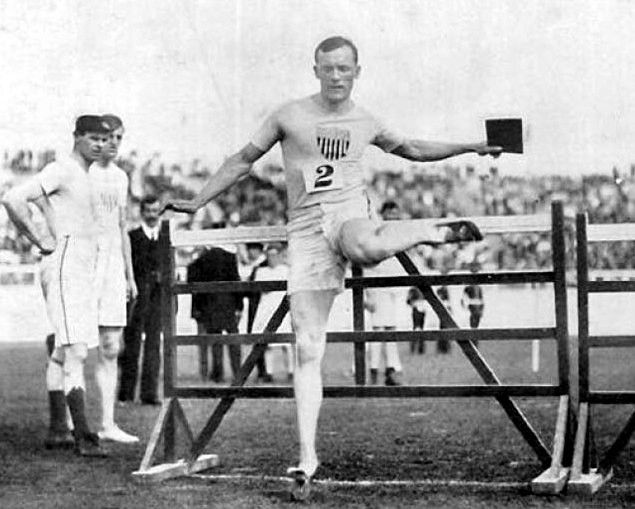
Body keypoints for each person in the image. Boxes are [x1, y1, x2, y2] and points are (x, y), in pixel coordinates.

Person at [162, 36, 500, 499]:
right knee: (306, 348)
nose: (336, 76)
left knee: (361, 243)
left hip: (347, 213)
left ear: (357, 70)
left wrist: (474, 146)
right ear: (315, 69)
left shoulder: (366, 120)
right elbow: (243, 160)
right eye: (328, 68)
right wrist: (198, 200)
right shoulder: (288, 115)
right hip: (304, 231)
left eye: (345, 68)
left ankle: (432, 230)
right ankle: (306, 457)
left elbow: (414, 149)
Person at [2, 115, 111, 456]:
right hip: (63, 263)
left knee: (65, 350)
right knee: (76, 348)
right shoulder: (62, 169)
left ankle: (57, 430)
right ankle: (84, 436)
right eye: (92, 137)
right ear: (76, 137)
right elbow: (13, 198)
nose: (100, 144)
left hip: (80, 266)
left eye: (104, 139)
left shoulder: (86, 177)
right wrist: (40, 240)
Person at [89, 114, 139, 443]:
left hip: (111, 267)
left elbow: (122, 227)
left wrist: (129, 275)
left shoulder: (121, 178)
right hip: (83, 262)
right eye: (108, 137)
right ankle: (69, 420)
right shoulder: (82, 173)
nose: (114, 144)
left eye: (119, 137)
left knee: (110, 346)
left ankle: (107, 424)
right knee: (74, 346)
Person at [118, 195, 162, 405]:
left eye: (156, 211)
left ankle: (149, 394)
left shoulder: (165, 238)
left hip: (157, 299)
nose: (152, 215)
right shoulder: (132, 237)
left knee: (154, 346)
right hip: (136, 298)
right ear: (142, 212)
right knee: (131, 346)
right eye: (149, 211)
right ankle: (126, 394)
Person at [187, 233, 244, 383]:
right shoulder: (230, 258)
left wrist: (198, 309)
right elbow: (236, 283)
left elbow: (193, 285)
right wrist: (239, 306)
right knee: (233, 339)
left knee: (215, 340)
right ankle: (237, 372)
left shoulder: (200, 260)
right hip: (228, 303)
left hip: (209, 305)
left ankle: (218, 373)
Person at [363, 201, 405, 385]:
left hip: (393, 289)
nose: (394, 216)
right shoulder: (376, 229)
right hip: (376, 287)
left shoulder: (399, 233)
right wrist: (366, 295)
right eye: (390, 213)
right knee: (379, 330)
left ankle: (391, 370)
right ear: (384, 214)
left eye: (396, 213)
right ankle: (374, 371)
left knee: (390, 330)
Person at [251, 243, 294, 382]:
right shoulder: (261, 271)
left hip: (283, 308)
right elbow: (261, 289)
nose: (272, 259)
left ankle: (291, 370)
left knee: (286, 343)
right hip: (266, 309)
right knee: (267, 343)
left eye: (275, 255)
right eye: (269, 256)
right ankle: (268, 372)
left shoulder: (286, 270)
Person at [461, 261, 485, 335]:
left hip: (477, 304)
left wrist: (482, 307)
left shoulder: (478, 286)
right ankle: (473, 337)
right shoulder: (469, 286)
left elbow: (481, 298)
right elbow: (464, 297)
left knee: (476, 322)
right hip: (473, 304)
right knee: (473, 322)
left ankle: (474, 337)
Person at [406, 286, 426, 354]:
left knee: (419, 329)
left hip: (420, 310)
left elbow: (408, 301)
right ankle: (416, 349)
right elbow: (408, 300)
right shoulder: (415, 290)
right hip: (418, 310)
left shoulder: (415, 290)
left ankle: (417, 349)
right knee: (418, 328)